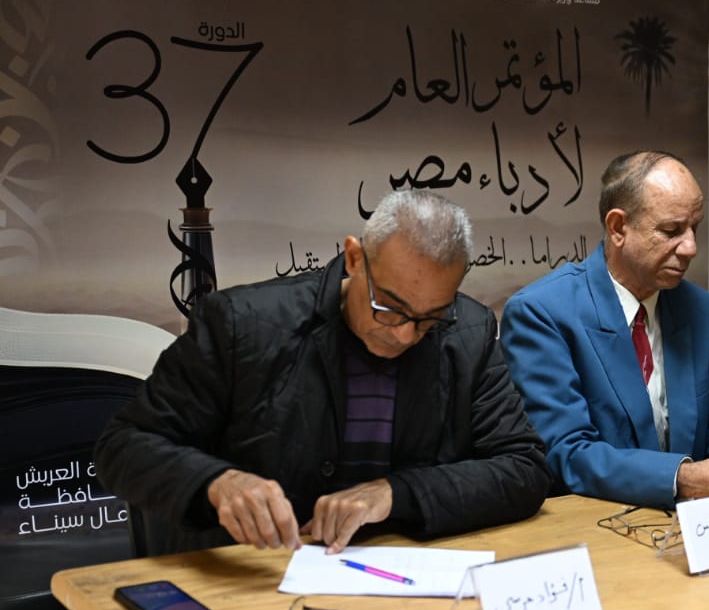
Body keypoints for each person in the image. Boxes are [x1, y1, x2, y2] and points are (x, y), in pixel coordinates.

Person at [96, 189, 551, 555]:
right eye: (389, 308)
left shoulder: (467, 332)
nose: (405, 334)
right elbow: (124, 447)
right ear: (354, 258)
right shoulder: (242, 324)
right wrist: (218, 482)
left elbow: (523, 468)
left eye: (430, 317)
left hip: (397, 573)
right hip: (254, 573)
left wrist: (396, 493)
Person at [499, 150, 709, 509]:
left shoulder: (703, 311)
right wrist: (683, 478)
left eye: (695, 228)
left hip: (696, 525)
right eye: (671, 231)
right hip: (591, 522)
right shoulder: (543, 312)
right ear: (618, 228)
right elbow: (567, 453)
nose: (691, 247)